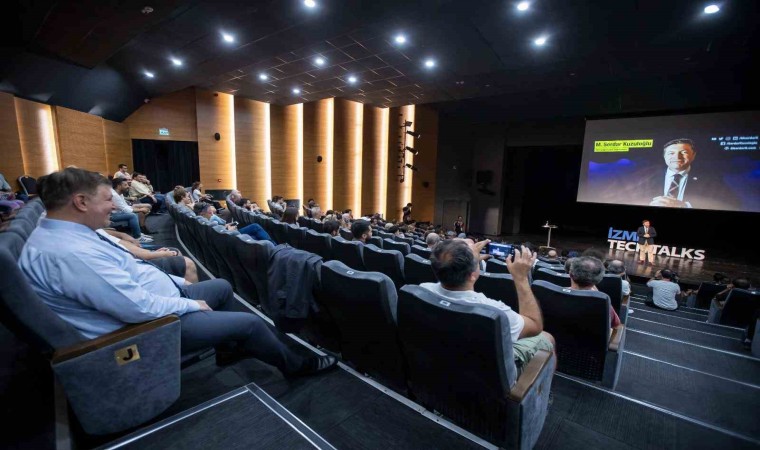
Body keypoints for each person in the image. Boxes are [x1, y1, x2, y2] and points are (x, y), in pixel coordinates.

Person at [19, 167, 336, 375]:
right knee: (251, 323)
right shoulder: (71, 254)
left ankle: (227, 349)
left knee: (222, 286)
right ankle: (296, 366)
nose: (114, 206)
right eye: (107, 200)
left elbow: (131, 273)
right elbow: (136, 308)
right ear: (81, 202)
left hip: (155, 303)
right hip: (147, 328)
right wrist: (188, 302)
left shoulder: (69, 235)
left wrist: (176, 283)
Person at [420, 240, 554, 375]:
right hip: (489, 375)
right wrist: (521, 278)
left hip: (441, 362)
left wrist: (469, 262)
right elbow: (535, 325)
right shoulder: (494, 312)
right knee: (547, 337)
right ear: (473, 275)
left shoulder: (422, 290)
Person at [647, 138, 739, 210]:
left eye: (684, 152)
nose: (677, 157)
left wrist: (684, 206)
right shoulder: (648, 178)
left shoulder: (711, 180)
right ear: (664, 156)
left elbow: (732, 203)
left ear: (693, 155)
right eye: (671, 153)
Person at [567, 257, 622, 328]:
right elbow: (616, 324)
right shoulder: (603, 301)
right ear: (599, 280)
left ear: (570, 274)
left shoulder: (554, 293)